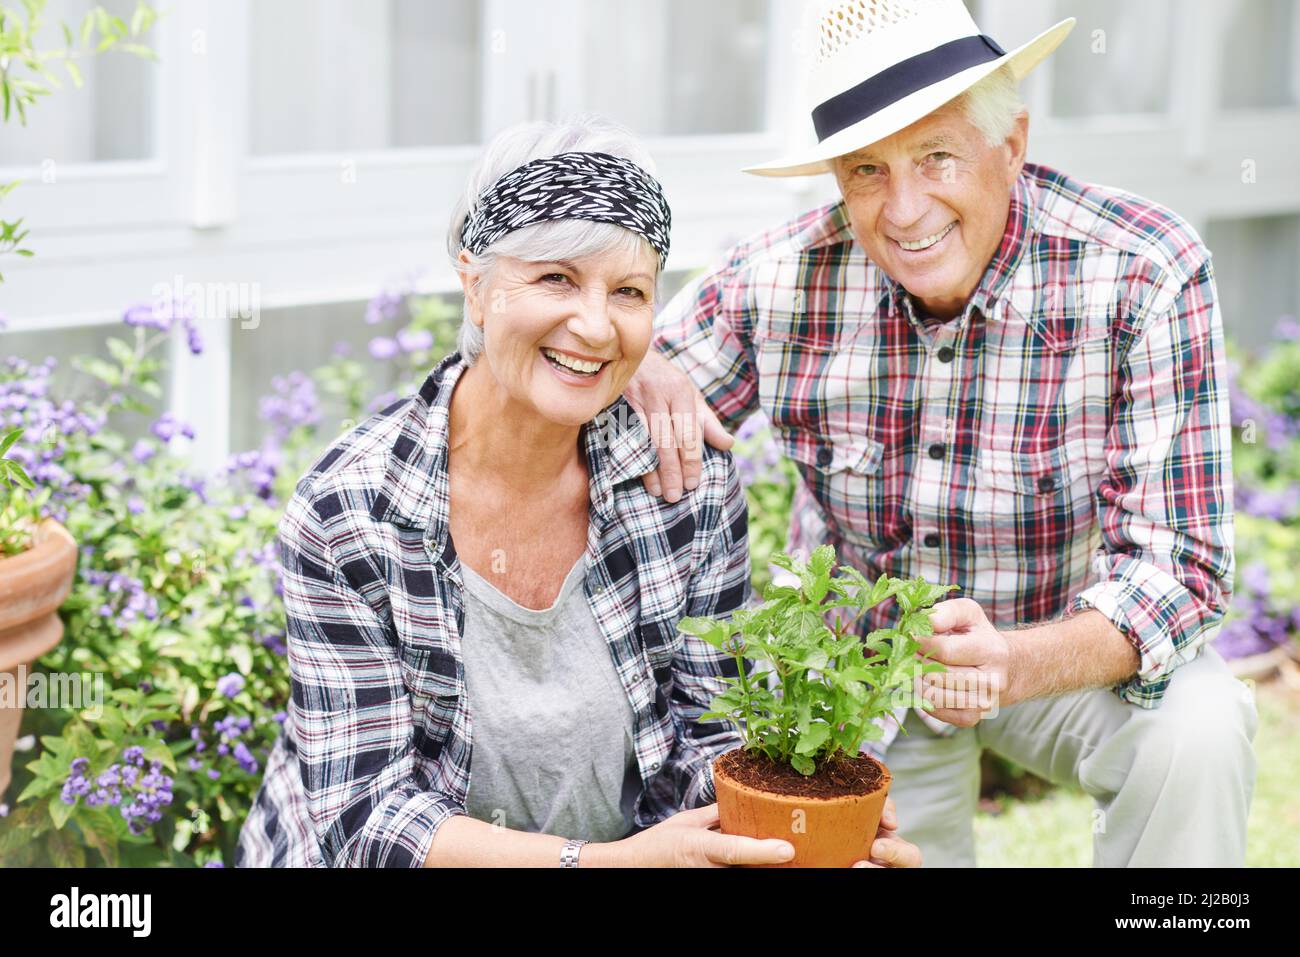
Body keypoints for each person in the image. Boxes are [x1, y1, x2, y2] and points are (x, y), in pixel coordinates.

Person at [627, 0, 1257, 866]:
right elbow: (605, 391)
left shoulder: (1142, 269)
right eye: (866, 171)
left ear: (1011, 145)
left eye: (936, 156)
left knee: (1202, 726)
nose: (904, 208)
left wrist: (1014, 663)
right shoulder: (779, 279)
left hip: (1066, 652)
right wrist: (640, 360)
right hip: (863, 677)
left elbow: (1181, 568)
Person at [236, 115, 922, 868]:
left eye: (628, 291)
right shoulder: (351, 511)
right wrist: (608, 863)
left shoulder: (684, 484)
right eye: (556, 278)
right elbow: (368, 824)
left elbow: (707, 738)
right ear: (475, 283)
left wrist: (797, 828)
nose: (594, 326)